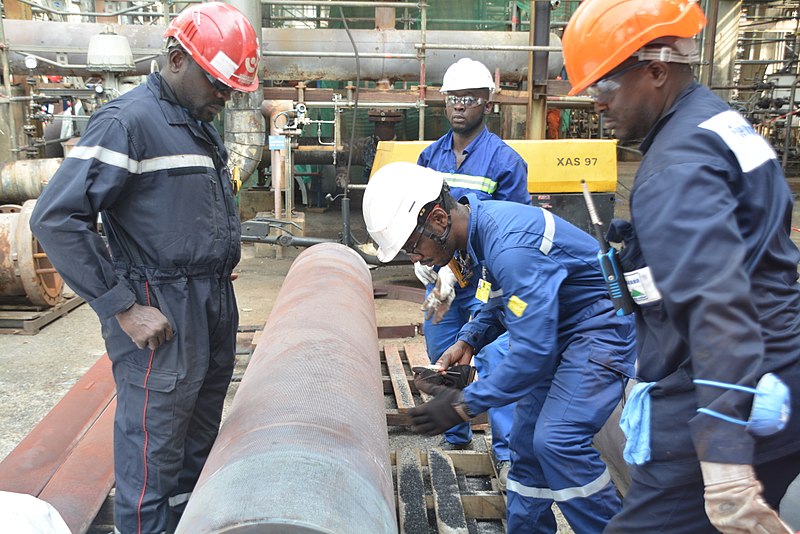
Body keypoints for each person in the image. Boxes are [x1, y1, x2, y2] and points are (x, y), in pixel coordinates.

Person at [561, 0, 800, 532]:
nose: (595, 105)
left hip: (728, 387)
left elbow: (717, 306)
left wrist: (722, 454)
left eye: (603, 87)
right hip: (779, 372)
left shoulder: (675, 167)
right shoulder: (720, 122)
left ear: (655, 70)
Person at [29, 3, 261, 532]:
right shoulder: (127, 124)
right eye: (217, 82)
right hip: (161, 311)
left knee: (198, 443)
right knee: (154, 453)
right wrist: (122, 307)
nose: (225, 96)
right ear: (178, 59)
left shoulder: (198, 123)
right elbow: (56, 218)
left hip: (209, 303)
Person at [363, 161, 637, 533]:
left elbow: (532, 353)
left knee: (557, 441)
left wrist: (464, 406)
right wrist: (468, 340)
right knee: (526, 448)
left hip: (598, 331)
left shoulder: (509, 245)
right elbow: (503, 299)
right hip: (562, 331)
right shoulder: (480, 230)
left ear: (439, 219)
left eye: (414, 245)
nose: (416, 259)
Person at [415, 58, 530, 487]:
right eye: (452, 98)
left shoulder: (505, 161)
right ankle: (456, 433)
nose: (459, 106)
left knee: (496, 361)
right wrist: (427, 266)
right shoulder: (431, 155)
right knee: (442, 350)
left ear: (486, 103)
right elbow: (420, 219)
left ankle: (505, 453)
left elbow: (511, 231)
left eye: (469, 98)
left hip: (488, 282)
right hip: (444, 282)